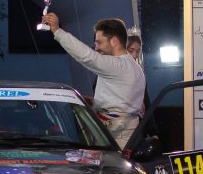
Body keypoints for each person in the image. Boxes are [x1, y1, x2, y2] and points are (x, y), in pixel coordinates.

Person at [42, 13, 145, 147]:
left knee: (110, 168)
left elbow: (87, 57)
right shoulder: (133, 67)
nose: (96, 47)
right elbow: (120, 100)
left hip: (117, 136)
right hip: (122, 131)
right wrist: (94, 102)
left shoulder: (118, 66)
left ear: (114, 41)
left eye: (99, 42)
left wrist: (57, 30)